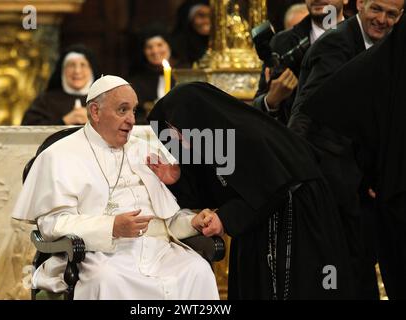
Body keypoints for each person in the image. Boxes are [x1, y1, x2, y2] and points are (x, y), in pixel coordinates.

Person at [12, 75, 219, 300]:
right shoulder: (58, 155)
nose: (131, 119)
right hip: (97, 254)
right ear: (95, 112)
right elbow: (53, 224)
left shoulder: (145, 152)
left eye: (133, 110)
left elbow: (166, 219)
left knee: (197, 270)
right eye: (122, 110)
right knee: (107, 279)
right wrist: (112, 227)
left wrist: (192, 222)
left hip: (159, 251)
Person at [147, 82, 355, 300]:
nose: (176, 137)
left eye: (179, 128)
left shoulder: (248, 136)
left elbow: (272, 187)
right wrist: (177, 179)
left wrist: (225, 218)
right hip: (256, 224)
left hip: (294, 220)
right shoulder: (210, 143)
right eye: (171, 131)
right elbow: (213, 188)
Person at [288, 0, 404, 298]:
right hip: (336, 184)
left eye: (392, 14)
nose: (382, 19)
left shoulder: (393, 45)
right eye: (376, 9)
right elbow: (309, 113)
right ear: (360, 4)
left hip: (370, 183)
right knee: (346, 276)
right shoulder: (335, 44)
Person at [254, 0, 348, 125]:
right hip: (292, 140)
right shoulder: (281, 42)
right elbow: (255, 113)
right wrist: (271, 100)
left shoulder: (362, 36)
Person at [21, 44, 101, 125]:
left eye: (83, 65)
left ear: (92, 70)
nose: (77, 71)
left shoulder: (103, 100)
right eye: (71, 65)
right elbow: (27, 128)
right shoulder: (45, 101)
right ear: (62, 71)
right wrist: (64, 121)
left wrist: (94, 119)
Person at [128, 24, 175, 124]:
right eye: (149, 47)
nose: (155, 51)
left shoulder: (186, 74)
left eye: (159, 45)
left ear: (169, 45)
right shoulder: (137, 81)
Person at [171, 0, 211, 68]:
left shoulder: (219, 43)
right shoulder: (176, 45)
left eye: (210, 16)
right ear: (190, 19)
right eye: (201, 16)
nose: (207, 21)